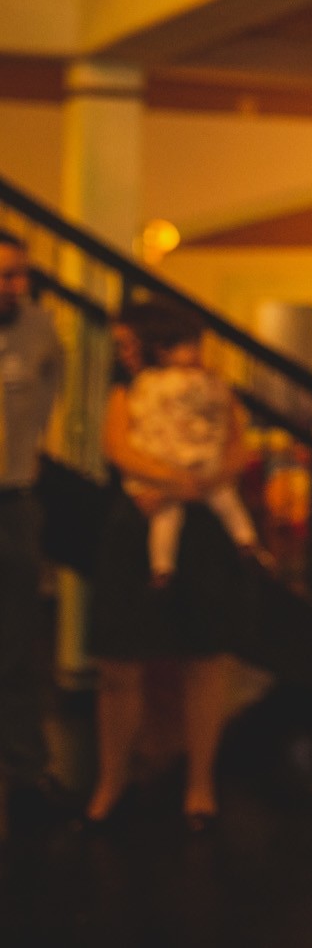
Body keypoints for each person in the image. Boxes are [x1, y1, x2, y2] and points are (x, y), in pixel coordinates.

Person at [87, 300, 250, 831]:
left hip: (200, 525)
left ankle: (200, 783)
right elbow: (116, 447)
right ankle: (112, 779)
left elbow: (238, 448)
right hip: (135, 524)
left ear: (157, 339)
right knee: (119, 660)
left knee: (203, 658)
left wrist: (193, 485)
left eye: (129, 343)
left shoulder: (210, 384)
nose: (123, 352)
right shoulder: (126, 386)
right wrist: (166, 479)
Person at [0, 230, 64, 829]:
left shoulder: (38, 329)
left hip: (13, 499)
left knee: (19, 641)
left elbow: (52, 385)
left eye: (19, 274)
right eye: (3, 275)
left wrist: (31, 449)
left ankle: (27, 767)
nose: (13, 286)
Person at [124, 333, 260, 584]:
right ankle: (163, 569)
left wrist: (183, 483)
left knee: (220, 503)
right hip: (179, 475)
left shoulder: (206, 385)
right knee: (169, 519)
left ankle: (245, 543)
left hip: (195, 477)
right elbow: (124, 447)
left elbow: (233, 445)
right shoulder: (149, 387)